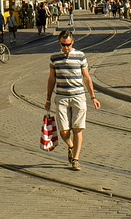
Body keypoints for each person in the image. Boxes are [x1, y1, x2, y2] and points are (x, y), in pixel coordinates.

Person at [44, 30, 100, 171]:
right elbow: (52, 79)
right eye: (63, 44)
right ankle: (70, 145)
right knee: (64, 131)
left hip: (78, 96)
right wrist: (48, 99)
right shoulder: (54, 58)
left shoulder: (80, 56)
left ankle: (75, 159)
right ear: (59, 42)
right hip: (61, 97)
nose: (66, 47)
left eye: (68, 44)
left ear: (72, 42)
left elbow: (86, 77)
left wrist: (93, 97)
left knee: (77, 128)